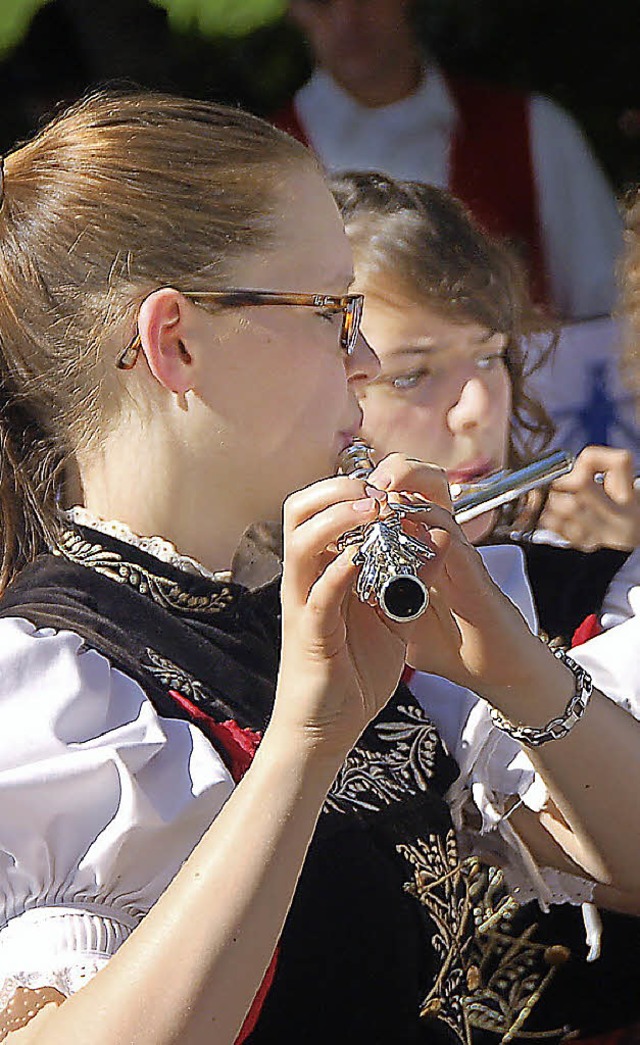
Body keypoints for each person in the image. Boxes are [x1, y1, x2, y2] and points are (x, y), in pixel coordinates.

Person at [0, 91, 639, 1045]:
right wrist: (302, 744)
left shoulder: (306, 601)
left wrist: (511, 667)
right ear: (174, 340)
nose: (367, 357)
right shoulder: (53, 684)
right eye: (333, 312)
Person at [330, 168, 640, 1039]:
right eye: (416, 372)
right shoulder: (212, 630)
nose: (476, 409)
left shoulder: (603, 595)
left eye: (492, 356)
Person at [280, 0, 623, 322]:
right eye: (321, 0)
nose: (347, 17)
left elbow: (609, 309)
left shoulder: (534, 128)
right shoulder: (269, 166)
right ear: (294, 8)